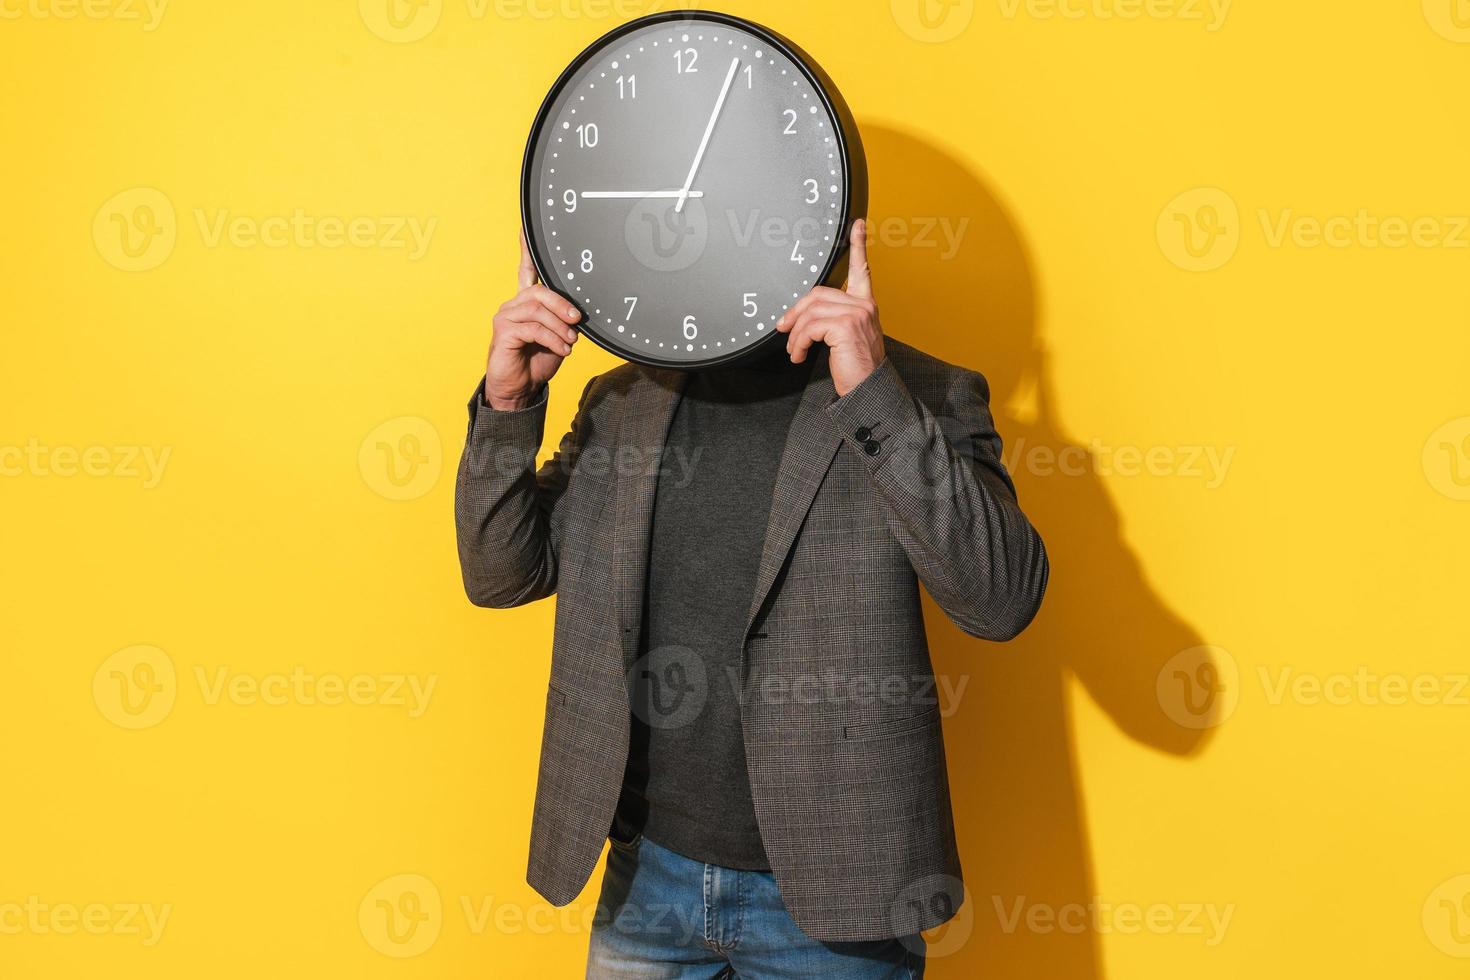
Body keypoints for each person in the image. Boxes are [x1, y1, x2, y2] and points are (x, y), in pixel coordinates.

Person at [455, 219, 1049, 978]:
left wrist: (875, 395)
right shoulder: (619, 401)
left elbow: (1002, 600)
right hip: (646, 882)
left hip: (838, 902)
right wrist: (508, 406)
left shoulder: (920, 393)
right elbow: (502, 575)